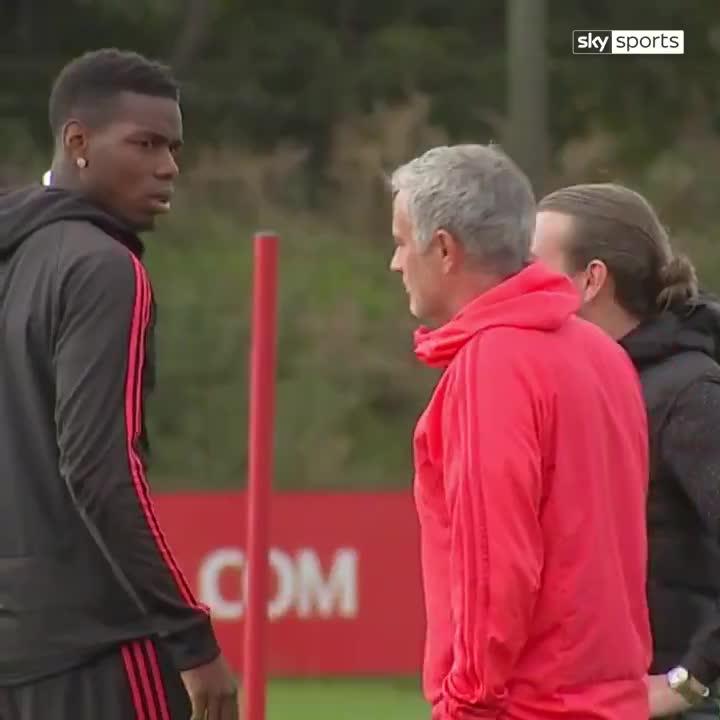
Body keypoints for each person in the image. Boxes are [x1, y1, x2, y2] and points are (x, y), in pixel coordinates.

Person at [0, 49, 237, 720]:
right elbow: (100, 470)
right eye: (146, 143)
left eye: (174, 147)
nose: (169, 166)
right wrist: (192, 640)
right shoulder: (104, 269)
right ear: (78, 142)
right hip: (97, 648)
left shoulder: (16, 253)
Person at [389, 144, 652, 719]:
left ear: (443, 249)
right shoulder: (601, 354)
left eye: (401, 241)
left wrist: (466, 704)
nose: (395, 261)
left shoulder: (494, 363)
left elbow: (494, 560)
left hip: (527, 706)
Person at [533, 182, 720, 719]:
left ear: (592, 279)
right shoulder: (574, 383)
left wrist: (688, 681)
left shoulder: (690, 393)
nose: (516, 285)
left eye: (534, 267)